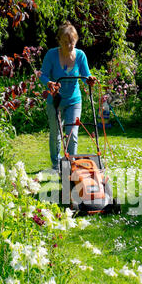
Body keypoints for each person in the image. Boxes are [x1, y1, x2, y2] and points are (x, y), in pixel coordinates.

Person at [39, 21, 96, 172]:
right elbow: (42, 74)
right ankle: (56, 164)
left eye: (71, 42)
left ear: (75, 40)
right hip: (55, 101)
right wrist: (49, 82)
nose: (69, 45)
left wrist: (89, 80)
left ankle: (72, 165)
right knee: (56, 133)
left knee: (72, 133)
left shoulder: (80, 56)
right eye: (65, 42)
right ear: (59, 42)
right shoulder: (51, 55)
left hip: (73, 101)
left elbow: (85, 75)